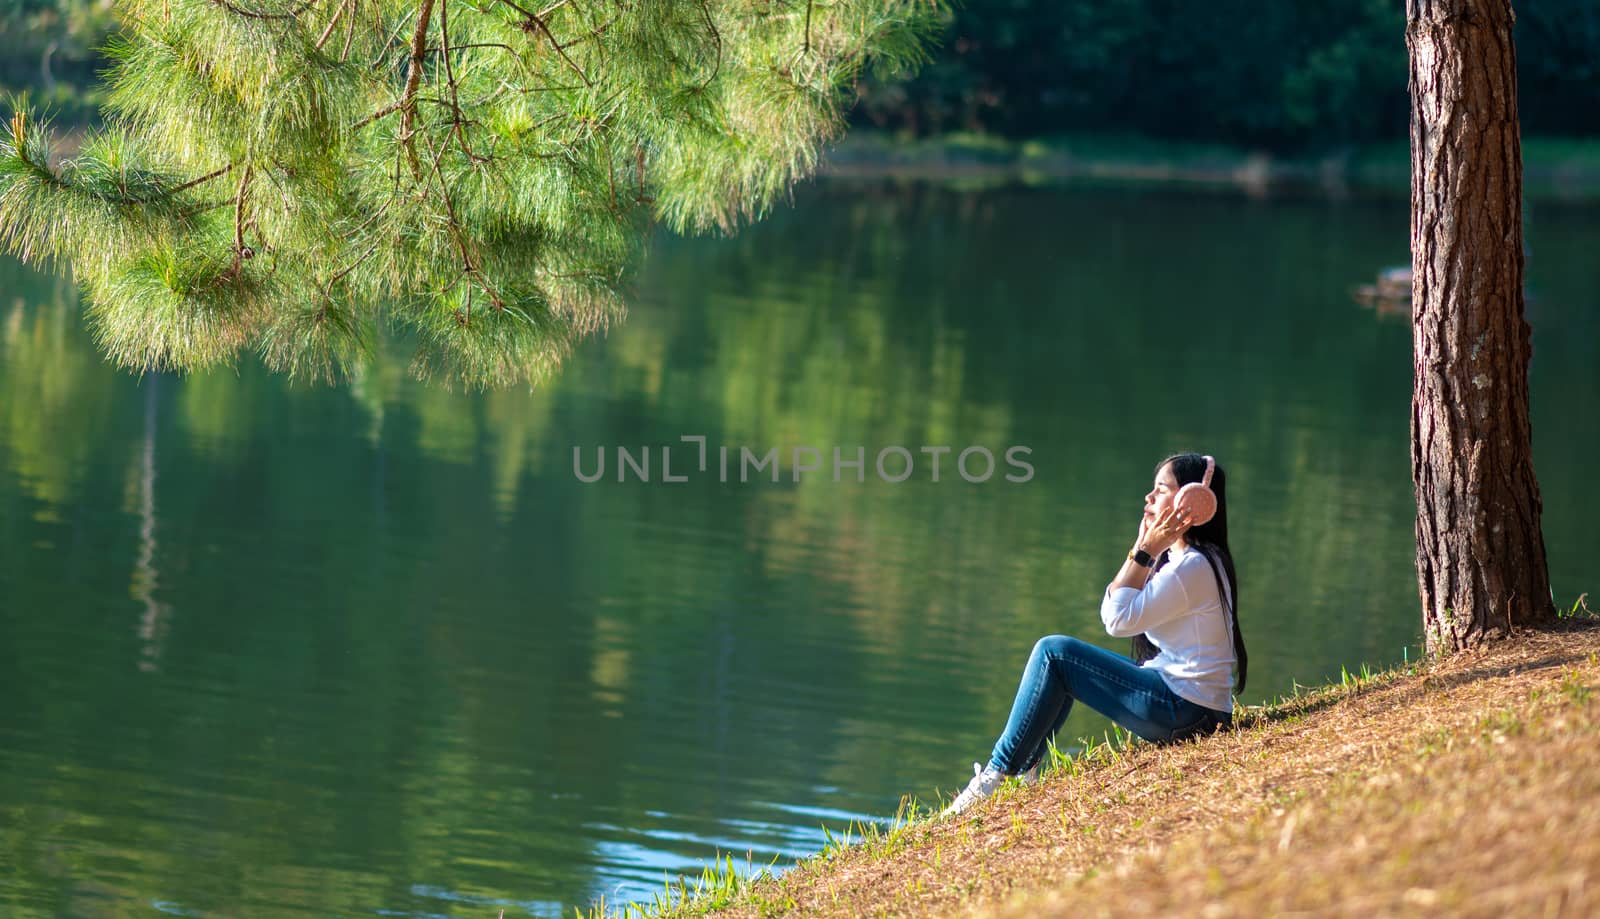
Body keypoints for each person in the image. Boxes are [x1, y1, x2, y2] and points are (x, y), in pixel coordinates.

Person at [942, 452, 1247, 817]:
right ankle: (1020, 772)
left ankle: (993, 778)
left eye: (1160, 490)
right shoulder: (1191, 560)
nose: (1148, 499)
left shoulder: (1192, 567)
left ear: (1189, 503)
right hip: (1195, 709)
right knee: (1061, 666)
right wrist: (1143, 551)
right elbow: (1113, 614)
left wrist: (1146, 550)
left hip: (1188, 713)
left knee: (1054, 654)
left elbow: (1117, 620)